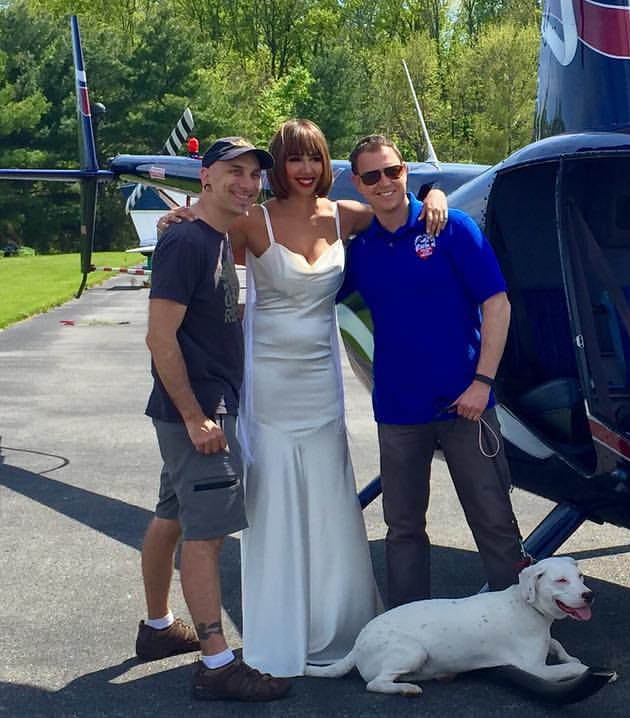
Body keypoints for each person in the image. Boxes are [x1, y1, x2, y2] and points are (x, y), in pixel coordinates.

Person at [157, 119, 449, 678]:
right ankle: (281, 625)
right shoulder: (253, 221)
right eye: (294, 160)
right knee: (274, 499)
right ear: (278, 166)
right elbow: (202, 230)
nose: (306, 170)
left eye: (314, 158)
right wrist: (181, 214)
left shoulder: (345, 215)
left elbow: (398, 208)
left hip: (322, 382)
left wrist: (432, 192)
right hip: (268, 380)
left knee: (328, 495)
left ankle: (340, 622)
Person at [338, 134, 525, 609]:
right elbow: (300, 270)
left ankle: (521, 632)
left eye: (392, 171)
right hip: (399, 411)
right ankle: (407, 631)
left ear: (406, 172)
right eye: (372, 176)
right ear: (358, 184)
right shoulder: (361, 251)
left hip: (468, 405)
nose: (384, 182)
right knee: (402, 529)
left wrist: (482, 384)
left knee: (495, 521)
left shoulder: (452, 228)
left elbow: (498, 305)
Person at [137, 136, 291, 701]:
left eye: (254, 175)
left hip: (194, 411)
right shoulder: (187, 243)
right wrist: (199, 417)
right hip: (198, 414)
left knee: (173, 515)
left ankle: (157, 629)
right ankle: (218, 664)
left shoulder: (214, 236)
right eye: (234, 172)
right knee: (207, 536)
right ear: (204, 176)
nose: (247, 183)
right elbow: (160, 336)